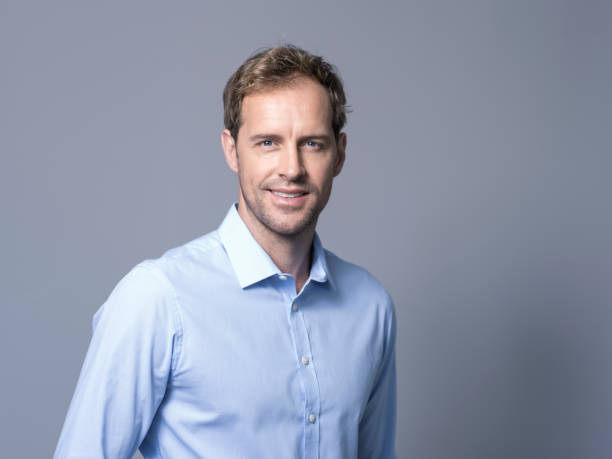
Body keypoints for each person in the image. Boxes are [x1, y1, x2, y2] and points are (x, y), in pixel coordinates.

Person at [55, 45, 397, 459]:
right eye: (268, 142)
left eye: (311, 143)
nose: (291, 168)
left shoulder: (370, 306)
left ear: (339, 153)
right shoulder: (158, 300)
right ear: (232, 150)